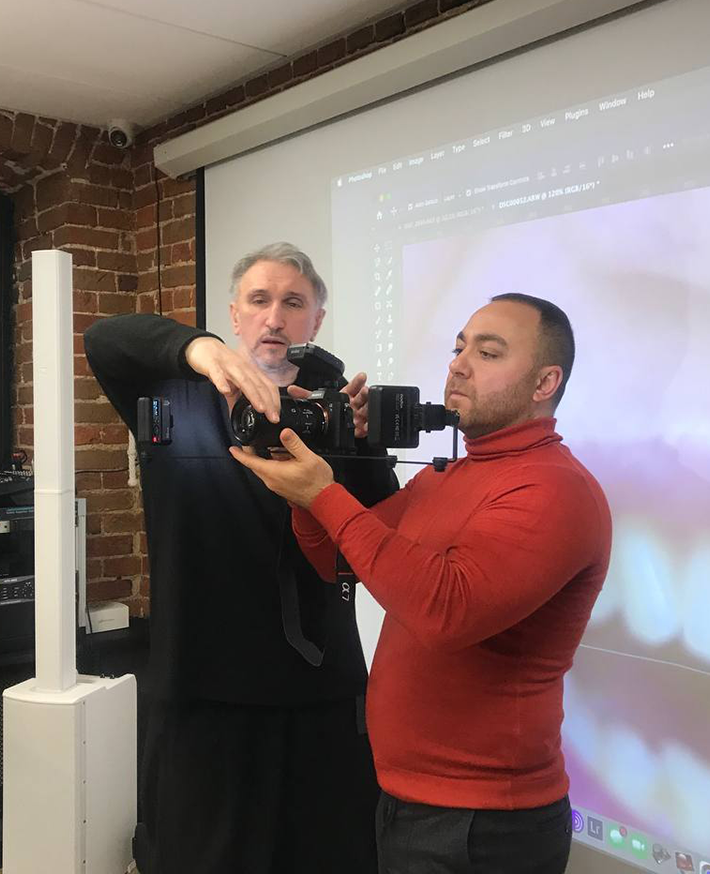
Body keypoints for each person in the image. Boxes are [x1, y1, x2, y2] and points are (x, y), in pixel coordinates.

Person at [232, 293, 612, 874]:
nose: (458, 365)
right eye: (458, 348)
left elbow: (445, 611)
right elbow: (338, 560)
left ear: (545, 382)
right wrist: (309, 482)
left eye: (488, 353)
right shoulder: (448, 477)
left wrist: (324, 494)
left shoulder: (555, 489)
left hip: (483, 823)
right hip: (410, 800)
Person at [84, 243, 387, 874]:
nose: (275, 317)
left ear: (317, 320)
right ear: (235, 314)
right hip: (202, 695)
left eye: (293, 303)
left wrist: (362, 445)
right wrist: (197, 348)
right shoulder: (173, 396)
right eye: (259, 300)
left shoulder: (337, 413)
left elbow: (378, 531)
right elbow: (106, 341)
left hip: (319, 691)